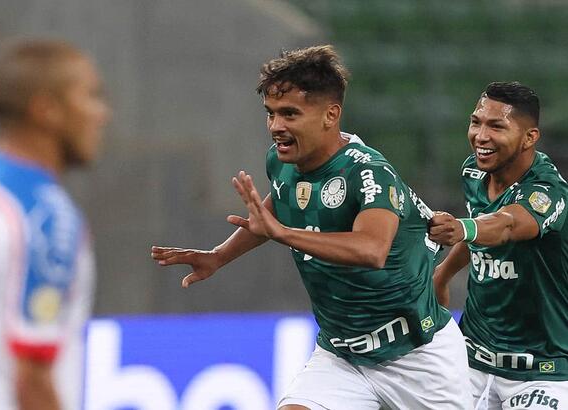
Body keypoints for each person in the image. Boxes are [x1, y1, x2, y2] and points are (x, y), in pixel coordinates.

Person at [152, 45, 472, 410]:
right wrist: (219, 256)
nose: (276, 127)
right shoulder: (282, 161)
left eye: (290, 114)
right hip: (341, 356)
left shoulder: (368, 173)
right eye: (270, 114)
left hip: (419, 357)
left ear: (330, 115)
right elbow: (277, 207)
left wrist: (283, 233)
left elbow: (372, 249)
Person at [0, 39, 109, 410]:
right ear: (47, 109)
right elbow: (33, 383)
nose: (102, 113)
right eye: (90, 96)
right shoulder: (49, 221)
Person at [430, 82, 568, 410]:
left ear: (530, 137)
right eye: (476, 121)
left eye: (497, 126)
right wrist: (442, 274)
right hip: (472, 361)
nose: (481, 135)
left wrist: (462, 227)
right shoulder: (473, 173)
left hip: (542, 370)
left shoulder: (547, 192)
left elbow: (505, 226)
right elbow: (479, 233)